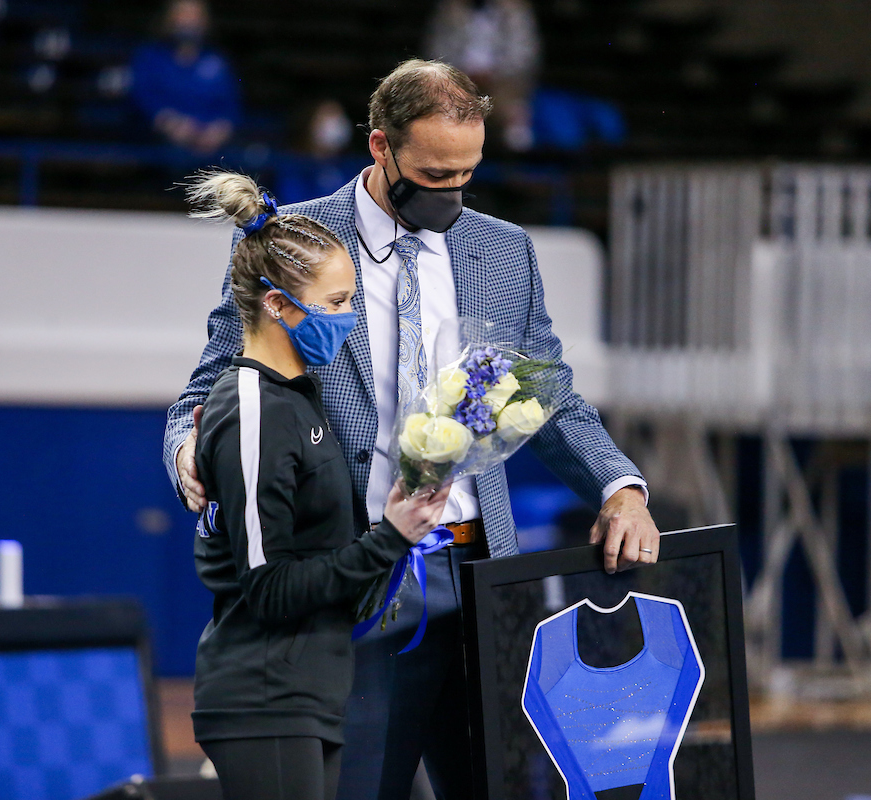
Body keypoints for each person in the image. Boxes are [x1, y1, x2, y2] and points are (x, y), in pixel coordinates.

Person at [165, 60, 659, 800]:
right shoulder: (298, 239)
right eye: (433, 174)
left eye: (467, 173)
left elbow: (544, 393)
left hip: (478, 574)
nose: (452, 194)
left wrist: (618, 486)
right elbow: (210, 381)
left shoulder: (505, 251)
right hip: (354, 578)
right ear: (379, 147)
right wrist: (185, 450)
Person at [185, 171, 451, 800]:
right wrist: (389, 539)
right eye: (335, 303)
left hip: (309, 691)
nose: (350, 318)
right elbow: (269, 587)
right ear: (276, 304)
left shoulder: (302, 399)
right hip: (263, 694)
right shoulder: (251, 405)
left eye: (351, 299)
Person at [425, 0, 541, 151]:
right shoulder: (449, 9)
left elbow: (523, 54)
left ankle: (515, 159)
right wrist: (461, 73)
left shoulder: (515, 11)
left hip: (503, 80)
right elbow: (437, 50)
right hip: (459, 79)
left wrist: (496, 74)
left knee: (515, 119)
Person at [130, 0, 242, 154]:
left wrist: (220, 129)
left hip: (212, 146)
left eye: (195, 15)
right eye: (183, 14)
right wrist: (169, 123)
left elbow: (231, 103)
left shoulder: (217, 60)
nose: (189, 21)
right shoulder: (149, 56)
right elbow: (142, 96)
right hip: (157, 143)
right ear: (169, 18)